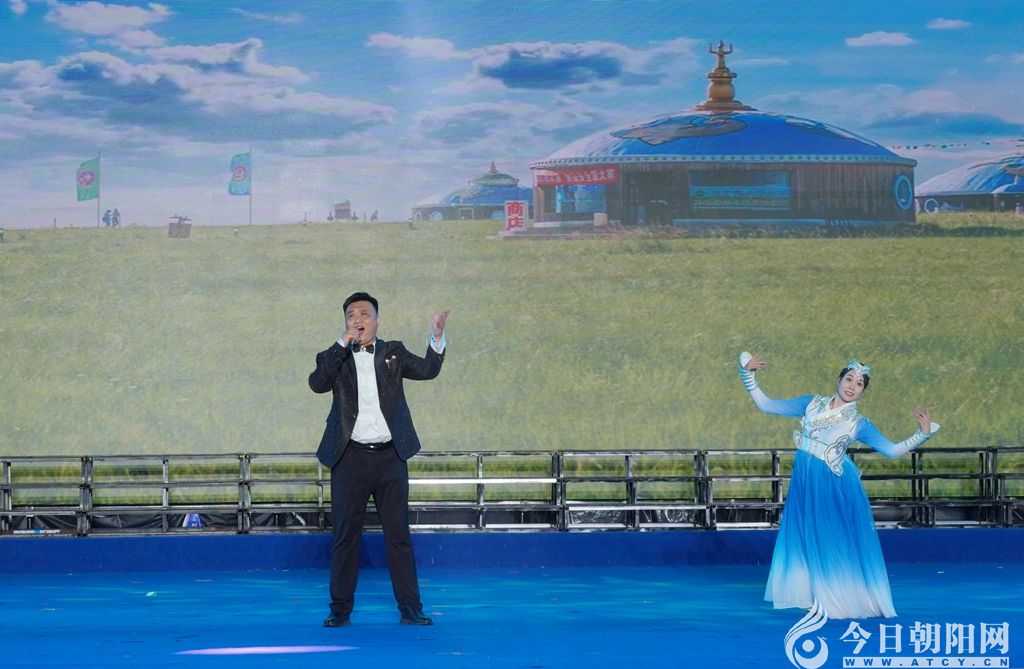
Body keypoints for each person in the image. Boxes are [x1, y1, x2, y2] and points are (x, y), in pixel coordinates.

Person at [738, 352, 939, 619]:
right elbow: (767, 405)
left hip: (830, 484)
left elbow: (891, 451)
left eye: (859, 384)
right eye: (849, 379)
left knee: (829, 536)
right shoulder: (811, 403)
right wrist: (747, 374)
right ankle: (808, 593)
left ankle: (837, 595)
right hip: (804, 479)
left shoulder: (858, 423)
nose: (852, 386)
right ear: (839, 379)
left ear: (863, 391)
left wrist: (922, 435)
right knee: (803, 532)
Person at [309, 292, 450, 628]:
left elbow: (428, 370)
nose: (358, 319)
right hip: (349, 457)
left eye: (365, 314)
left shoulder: (393, 352)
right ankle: (339, 610)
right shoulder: (334, 356)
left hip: (390, 456)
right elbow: (317, 383)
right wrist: (342, 344)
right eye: (351, 315)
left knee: (398, 536)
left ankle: (411, 608)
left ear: (377, 320)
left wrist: (437, 337)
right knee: (345, 537)